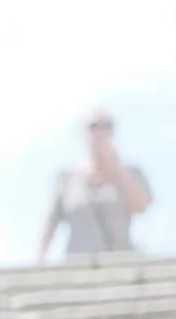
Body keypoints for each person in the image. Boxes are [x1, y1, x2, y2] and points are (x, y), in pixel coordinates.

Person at [39, 109, 153, 258]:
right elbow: (50, 224)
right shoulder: (66, 179)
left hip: (122, 261)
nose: (100, 132)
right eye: (94, 127)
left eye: (106, 126)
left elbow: (140, 207)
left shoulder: (131, 173)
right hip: (79, 262)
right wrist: (39, 260)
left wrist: (116, 169)